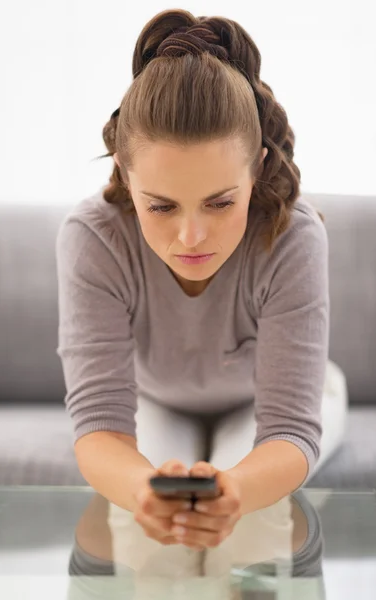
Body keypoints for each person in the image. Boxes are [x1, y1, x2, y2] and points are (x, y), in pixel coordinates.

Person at [56, 9, 348, 552]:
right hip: (157, 400)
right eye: (161, 206)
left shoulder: (293, 236)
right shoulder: (92, 237)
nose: (191, 236)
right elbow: (101, 426)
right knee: (148, 532)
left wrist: (236, 489)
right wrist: (141, 488)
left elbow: (290, 430)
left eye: (220, 202)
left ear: (257, 168)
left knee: (246, 527)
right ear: (123, 170)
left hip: (268, 404)